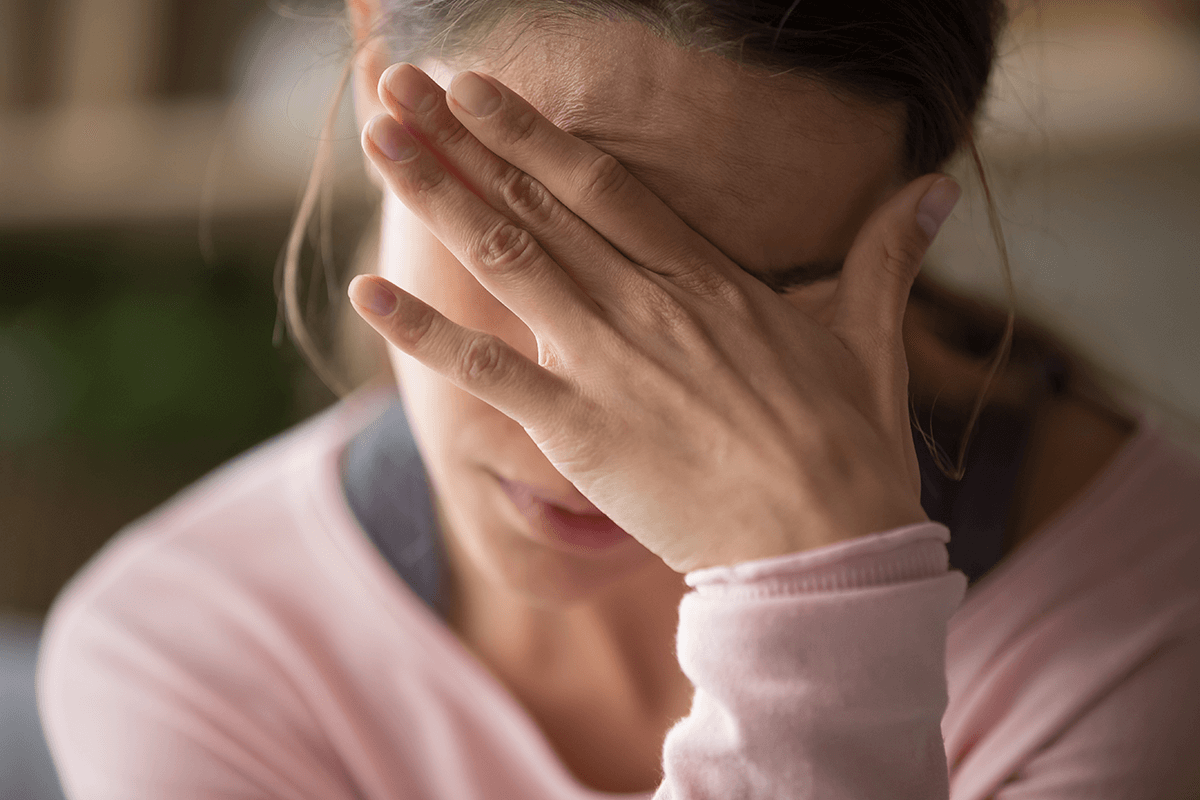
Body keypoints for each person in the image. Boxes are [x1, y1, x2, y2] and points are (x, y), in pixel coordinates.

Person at [36, 1, 1200, 798]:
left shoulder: (1144, 616)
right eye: (531, 239)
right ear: (371, 40)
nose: (579, 419)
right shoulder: (192, 649)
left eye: (747, 301)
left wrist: (816, 598)